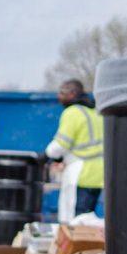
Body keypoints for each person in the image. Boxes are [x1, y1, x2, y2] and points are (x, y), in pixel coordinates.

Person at [43, 79, 103, 221]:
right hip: (99, 175)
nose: (59, 96)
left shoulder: (72, 113)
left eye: (63, 92)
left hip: (80, 173)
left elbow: (60, 145)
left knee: (74, 222)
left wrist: (47, 155)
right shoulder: (95, 113)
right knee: (88, 220)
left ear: (73, 93)